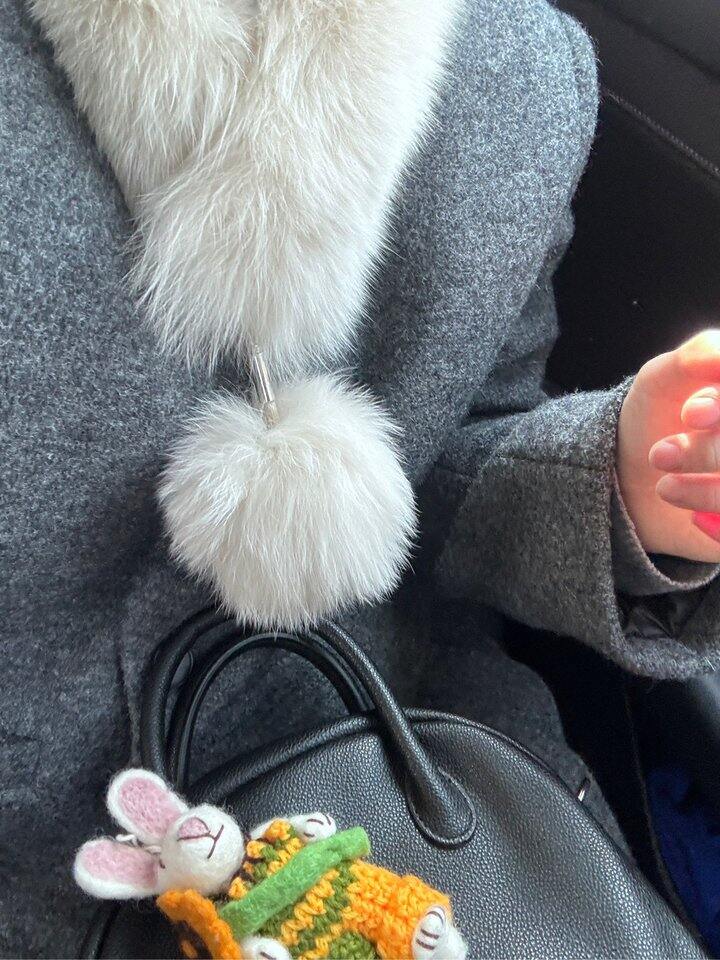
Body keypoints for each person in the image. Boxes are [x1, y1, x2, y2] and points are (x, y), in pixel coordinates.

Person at [3, 0, 720, 956]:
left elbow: (455, 454)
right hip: (47, 864)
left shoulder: (518, 72)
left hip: (419, 782)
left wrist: (623, 480)